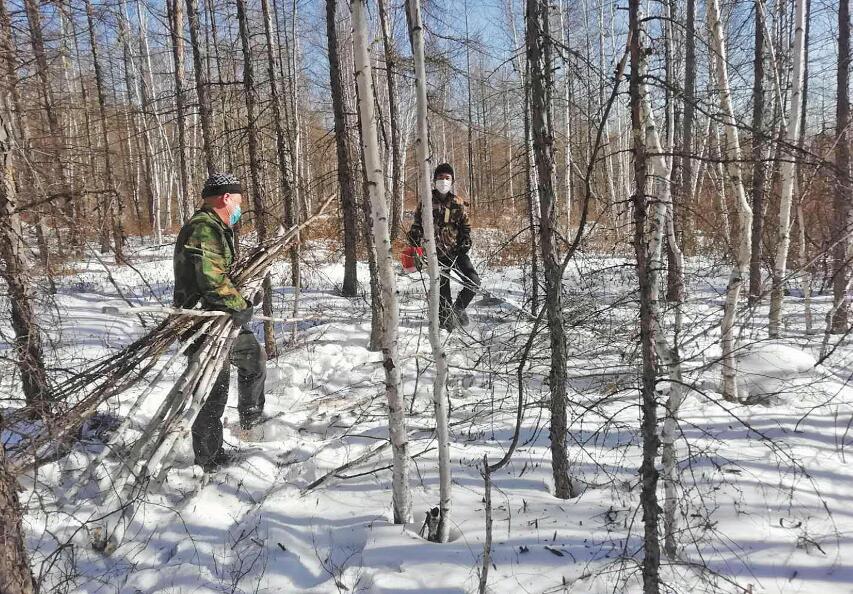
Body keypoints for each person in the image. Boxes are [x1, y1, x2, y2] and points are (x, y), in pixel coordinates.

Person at [173, 172, 267, 472]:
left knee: (253, 356)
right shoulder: (204, 229)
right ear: (225, 198)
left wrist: (245, 295)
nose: (239, 209)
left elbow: (221, 275)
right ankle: (209, 459)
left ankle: (251, 422)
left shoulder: (217, 228)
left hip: (221, 318)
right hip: (202, 323)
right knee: (213, 389)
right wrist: (239, 305)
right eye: (237, 202)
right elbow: (212, 281)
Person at [408, 163, 481, 330]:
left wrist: (465, 241)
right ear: (434, 181)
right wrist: (415, 236)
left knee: (474, 282)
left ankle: (459, 308)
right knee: (443, 295)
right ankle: (446, 318)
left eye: (447, 178)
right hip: (436, 255)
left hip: (456, 252)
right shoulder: (425, 202)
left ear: (452, 181)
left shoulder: (458, 203)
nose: (443, 181)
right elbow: (417, 225)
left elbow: (466, 227)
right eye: (440, 178)